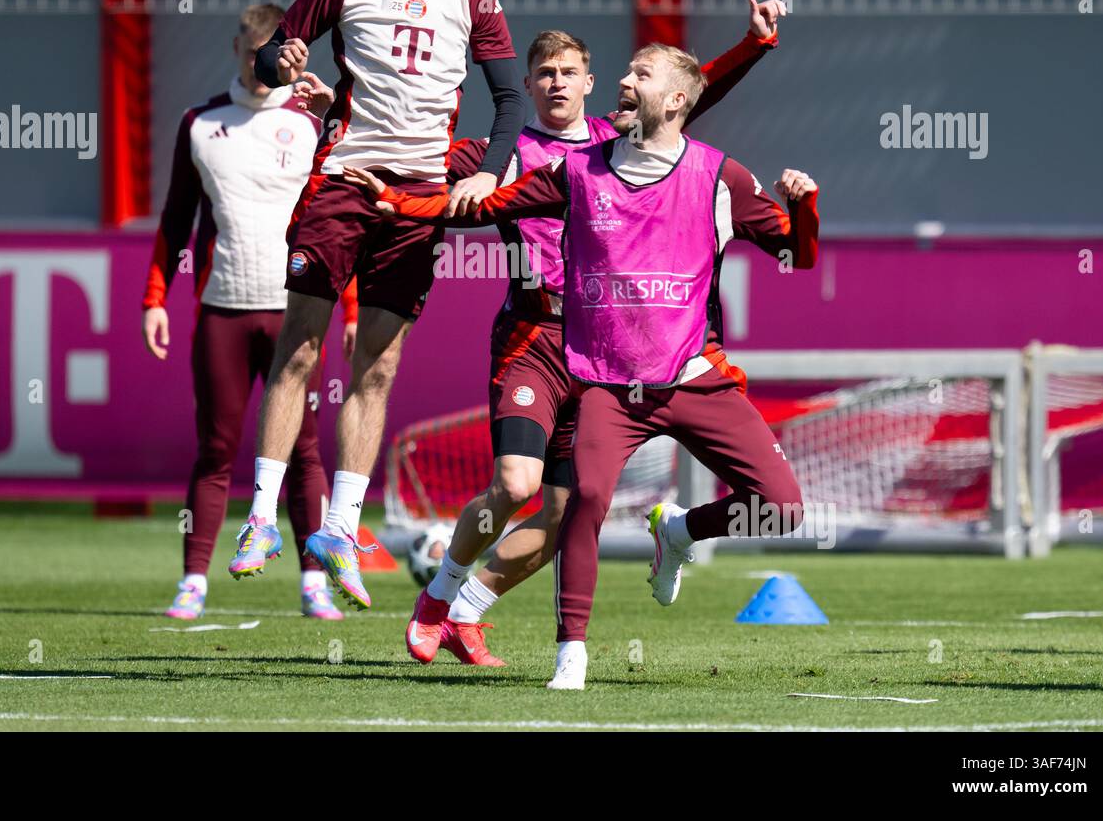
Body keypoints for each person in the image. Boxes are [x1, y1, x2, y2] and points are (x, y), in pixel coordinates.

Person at [346, 41, 818, 689]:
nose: (557, 82)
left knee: (567, 507)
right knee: (519, 485)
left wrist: (758, 48)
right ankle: (453, 601)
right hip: (538, 339)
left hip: (624, 346)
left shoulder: (621, 139)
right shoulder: (511, 155)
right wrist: (371, 172)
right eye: (543, 73)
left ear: (589, 82)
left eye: (570, 71)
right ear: (526, 88)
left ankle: (469, 609)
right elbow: (437, 177)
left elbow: (692, 87)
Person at [227, 0, 526, 611]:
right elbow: (272, 61)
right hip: (343, 183)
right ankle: (261, 517)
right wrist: (280, 58)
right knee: (299, 345)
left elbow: (511, 101)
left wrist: (487, 173)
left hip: (420, 199)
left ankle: (340, 528)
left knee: (379, 366)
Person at [142, 3, 356, 622]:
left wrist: (348, 312)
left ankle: (313, 580)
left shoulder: (314, 120)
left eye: (276, 50)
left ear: (293, 55)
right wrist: (154, 297)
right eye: (253, 47)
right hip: (223, 310)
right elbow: (175, 219)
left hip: (298, 310)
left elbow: (346, 223)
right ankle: (192, 581)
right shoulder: (201, 123)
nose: (261, 59)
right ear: (239, 46)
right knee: (216, 448)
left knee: (305, 449)